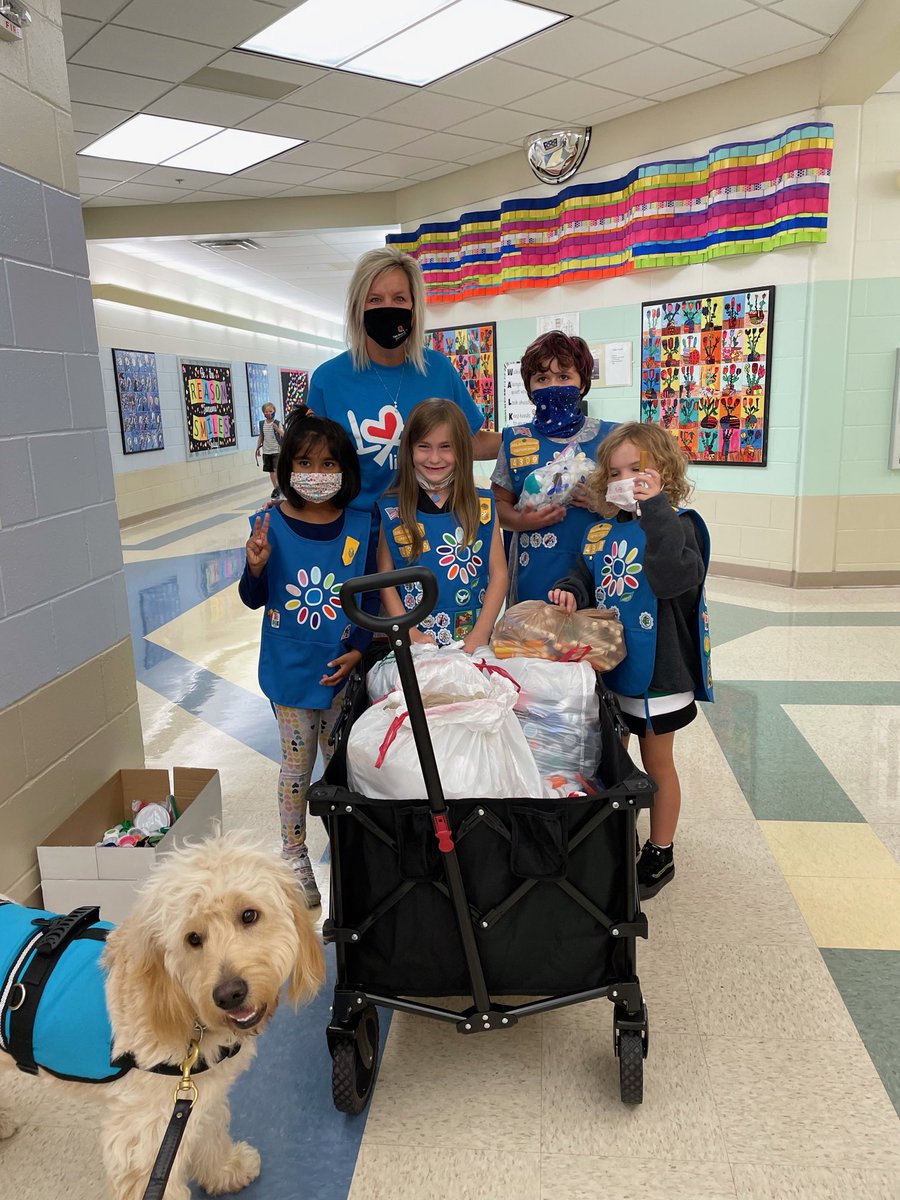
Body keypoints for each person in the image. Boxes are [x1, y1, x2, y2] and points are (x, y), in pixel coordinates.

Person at [548, 422, 714, 899]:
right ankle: (619, 834)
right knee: (615, 760)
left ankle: (660, 851)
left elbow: (671, 578)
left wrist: (655, 507)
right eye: (616, 472)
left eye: (637, 470)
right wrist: (570, 591)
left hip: (660, 672)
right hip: (612, 668)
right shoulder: (602, 531)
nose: (626, 480)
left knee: (657, 762)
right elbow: (586, 574)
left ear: (663, 471)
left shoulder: (679, 525)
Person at [239, 408, 379, 906]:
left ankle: (349, 846)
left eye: (327, 464)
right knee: (297, 766)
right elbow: (254, 597)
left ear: (344, 470)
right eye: (304, 462)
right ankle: (293, 854)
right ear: (286, 468)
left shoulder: (363, 524)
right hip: (289, 671)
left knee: (341, 764)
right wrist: (255, 567)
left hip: (340, 668)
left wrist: (358, 651)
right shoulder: (267, 524)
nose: (316, 475)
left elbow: (366, 601)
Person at [308, 247, 501, 523]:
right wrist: (289, 504)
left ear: (413, 307)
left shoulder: (438, 370)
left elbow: (471, 442)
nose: (388, 308)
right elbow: (312, 463)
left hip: (430, 531)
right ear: (358, 307)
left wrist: (529, 439)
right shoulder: (328, 380)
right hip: (358, 540)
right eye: (375, 299)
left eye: (399, 298)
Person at [492, 331, 617, 603]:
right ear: (529, 389)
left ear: (582, 383)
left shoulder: (611, 438)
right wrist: (521, 521)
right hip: (533, 572)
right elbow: (498, 506)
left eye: (564, 377)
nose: (553, 386)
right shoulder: (515, 440)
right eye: (541, 379)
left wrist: (603, 503)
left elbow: (636, 503)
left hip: (596, 571)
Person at [377, 398, 507, 652]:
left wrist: (480, 634)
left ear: (462, 449)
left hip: (474, 642)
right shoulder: (392, 509)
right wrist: (408, 631)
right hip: (414, 644)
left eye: (445, 447)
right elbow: (385, 579)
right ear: (409, 450)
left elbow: (500, 575)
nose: (434, 458)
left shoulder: (483, 505)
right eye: (424, 446)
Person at [254, 402, 284, 498]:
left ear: (274, 411)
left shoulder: (277, 423)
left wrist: (277, 429)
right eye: (266, 411)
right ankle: (275, 488)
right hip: (267, 451)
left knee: (276, 470)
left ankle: (279, 487)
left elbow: (284, 435)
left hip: (276, 450)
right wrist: (258, 448)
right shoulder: (262, 424)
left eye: (270, 411)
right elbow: (261, 436)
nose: (268, 413)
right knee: (271, 471)